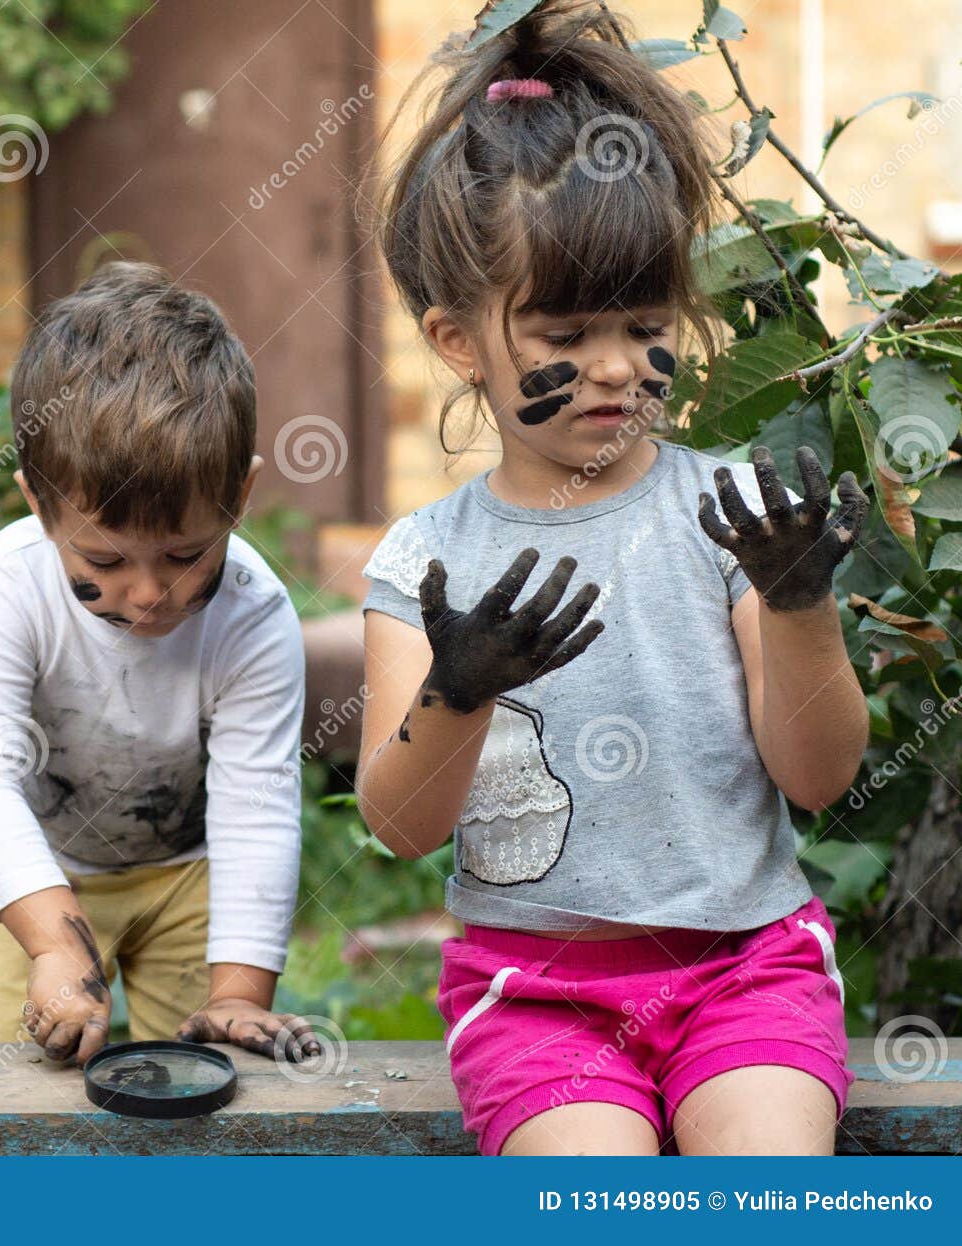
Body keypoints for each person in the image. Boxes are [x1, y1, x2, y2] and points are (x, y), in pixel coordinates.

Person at [356, 0, 869, 1155]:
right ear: (455, 339)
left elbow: (820, 775)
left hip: (746, 970)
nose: (612, 367)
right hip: (538, 999)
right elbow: (396, 825)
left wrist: (797, 606)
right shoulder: (424, 564)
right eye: (564, 332)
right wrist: (460, 688)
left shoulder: (727, 518)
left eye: (642, 324)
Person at [0, 262, 318, 1067]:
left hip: (191, 879)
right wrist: (53, 943)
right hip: (34, 871)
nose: (147, 594)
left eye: (184, 553)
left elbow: (257, 804)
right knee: (24, 1098)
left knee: (204, 1087)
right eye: (104, 560)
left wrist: (240, 993)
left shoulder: (255, 616)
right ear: (38, 507)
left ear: (240, 498)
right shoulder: (5, 587)